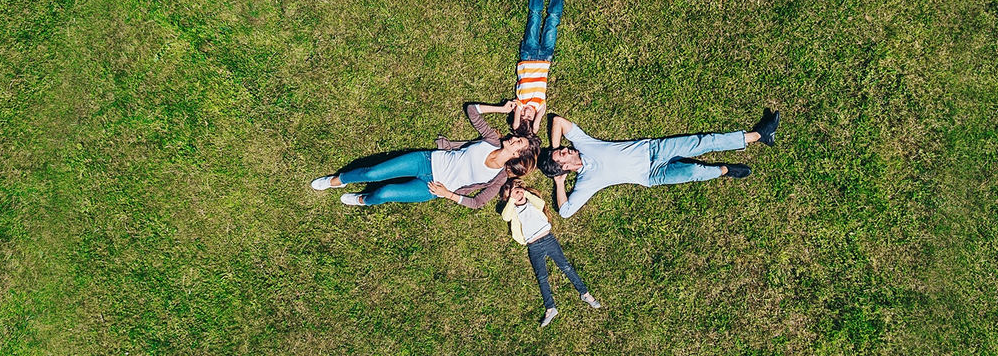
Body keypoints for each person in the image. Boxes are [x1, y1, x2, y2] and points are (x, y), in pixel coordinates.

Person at [538, 108, 782, 217]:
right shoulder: (586, 182)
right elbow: (566, 212)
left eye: (562, 149)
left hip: (655, 149)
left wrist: (553, 148)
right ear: (565, 168)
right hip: (652, 176)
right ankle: (726, 170)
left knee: (704, 141)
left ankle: (759, 136)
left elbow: (558, 121)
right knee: (696, 171)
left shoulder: (583, 143)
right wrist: (560, 183)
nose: (566, 150)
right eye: (562, 156)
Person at [311, 102, 538, 208]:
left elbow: (478, 202)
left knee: (384, 193)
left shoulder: (498, 178)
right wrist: (501, 109)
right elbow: (472, 110)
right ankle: (336, 181)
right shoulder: (492, 140)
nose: (513, 137)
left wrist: (448, 194)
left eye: (517, 142)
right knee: (373, 172)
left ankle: (363, 200)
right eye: (517, 137)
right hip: (426, 161)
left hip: (434, 187)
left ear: (517, 154)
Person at [499, 178, 601, 327]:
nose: (516, 195)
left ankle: (585, 293)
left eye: (517, 192)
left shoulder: (532, 203)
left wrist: (525, 193)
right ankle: (550, 308)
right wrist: (511, 200)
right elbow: (505, 216)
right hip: (533, 245)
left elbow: (541, 204)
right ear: (507, 199)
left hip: (548, 239)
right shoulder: (513, 211)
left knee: (566, 266)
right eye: (511, 195)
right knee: (541, 277)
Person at [511, 0, 579, 135]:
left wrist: (520, 122)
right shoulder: (541, 104)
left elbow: (515, 125)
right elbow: (535, 126)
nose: (526, 113)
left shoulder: (521, 101)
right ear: (535, 119)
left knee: (534, 15)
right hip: (545, 58)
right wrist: (533, 127)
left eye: (522, 116)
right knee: (553, 21)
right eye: (529, 116)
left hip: (528, 55)